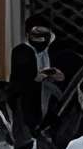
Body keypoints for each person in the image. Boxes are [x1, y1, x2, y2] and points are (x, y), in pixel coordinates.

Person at [8, 12, 71, 140]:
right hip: (29, 104)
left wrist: (60, 77)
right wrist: (36, 80)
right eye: (36, 36)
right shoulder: (21, 52)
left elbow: (70, 76)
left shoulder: (59, 50)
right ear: (27, 35)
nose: (41, 40)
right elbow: (18, 83)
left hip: (54, 102)